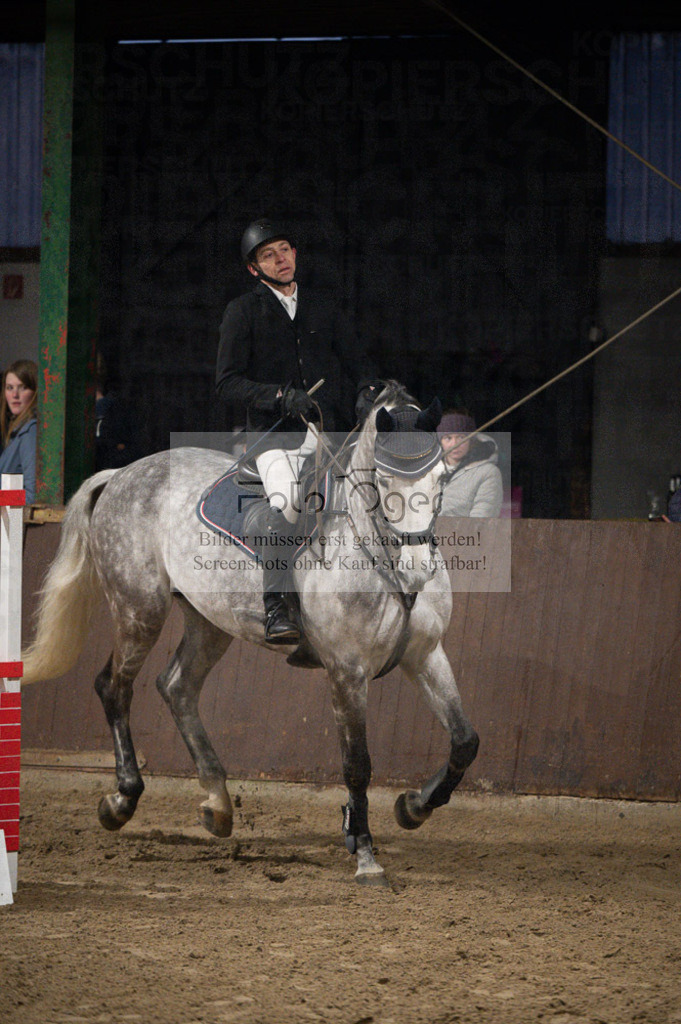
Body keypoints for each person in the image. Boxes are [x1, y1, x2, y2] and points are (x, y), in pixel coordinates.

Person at [216, 217, 380, 643]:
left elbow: (358, 360)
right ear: (255, 269)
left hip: (332, 433)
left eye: (285, 249)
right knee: (289, 501)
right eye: (268, 255)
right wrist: (279, 397)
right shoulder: (243, 312)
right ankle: (276, 606)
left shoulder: (323, 305)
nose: (280, 258)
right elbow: (227, 382)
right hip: (276, 438)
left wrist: (365, 390)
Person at [437, 408, 503, 518]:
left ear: (471, 440)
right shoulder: (428, 471)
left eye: (461, 437)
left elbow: (481, 520)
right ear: (440, 441)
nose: (455, 444)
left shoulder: (488, 473)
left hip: (463, 534)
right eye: (448, 438)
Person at [0, 359, 38, 504]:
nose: (15, 395)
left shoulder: (30, 432)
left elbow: (32, 495)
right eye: (9, 388)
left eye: (22, 388)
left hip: (16, 523)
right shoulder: (17, 431)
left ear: (34, 391)